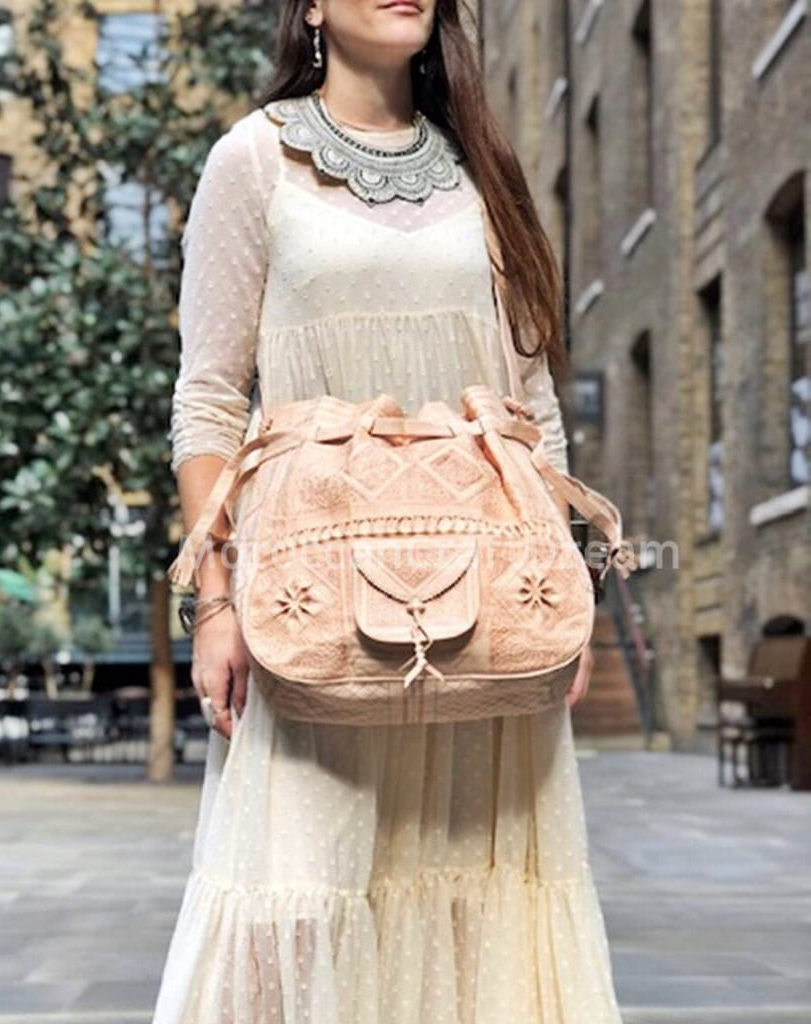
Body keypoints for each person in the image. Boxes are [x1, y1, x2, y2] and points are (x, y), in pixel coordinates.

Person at [153, 1, 623, 1021]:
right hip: (311, 593)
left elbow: (531, 402)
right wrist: (217, 604)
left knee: (483, 891)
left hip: (488, 585)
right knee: (300, 895)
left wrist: (566, 584)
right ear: (310, 5)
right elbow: (208, 399)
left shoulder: (485, 173)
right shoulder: (252, 162)